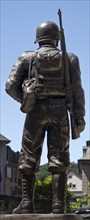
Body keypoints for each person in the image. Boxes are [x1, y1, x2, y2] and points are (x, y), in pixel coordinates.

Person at [5, 21, 85, 214]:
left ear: (38, 39)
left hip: (35, 112)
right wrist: (80, 117)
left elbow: (10, 85)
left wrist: (26, 100)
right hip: (60, 112)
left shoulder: (26, 58)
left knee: (28, 157)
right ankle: (59, 206)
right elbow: (77, 92)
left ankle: (26, 204)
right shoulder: (70, 58)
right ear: (57, 38)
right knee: (59, 159)